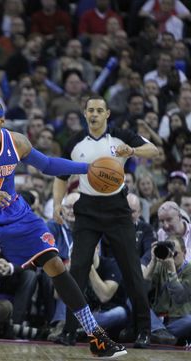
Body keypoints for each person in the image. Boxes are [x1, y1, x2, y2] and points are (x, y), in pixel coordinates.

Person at [0, 99, 127, 358]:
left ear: (1, 122)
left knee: (55, 264)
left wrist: (87, 168)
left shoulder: (16, 142)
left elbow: (48, 165)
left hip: (12, 211)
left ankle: (96, 335)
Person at [53, 95, 158, 348]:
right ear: (85, 113)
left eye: (100, 110)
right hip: (87, 209)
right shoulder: (76, 142)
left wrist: (131, 151)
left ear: (107, 114)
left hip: (117, 209)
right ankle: (69, 329)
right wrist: (57, 203)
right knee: (76, 270)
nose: (95, 114)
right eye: (91, 110)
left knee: (132, 271)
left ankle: (144, 330)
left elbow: (153, 150)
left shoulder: (120, 135)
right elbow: (60, 176)